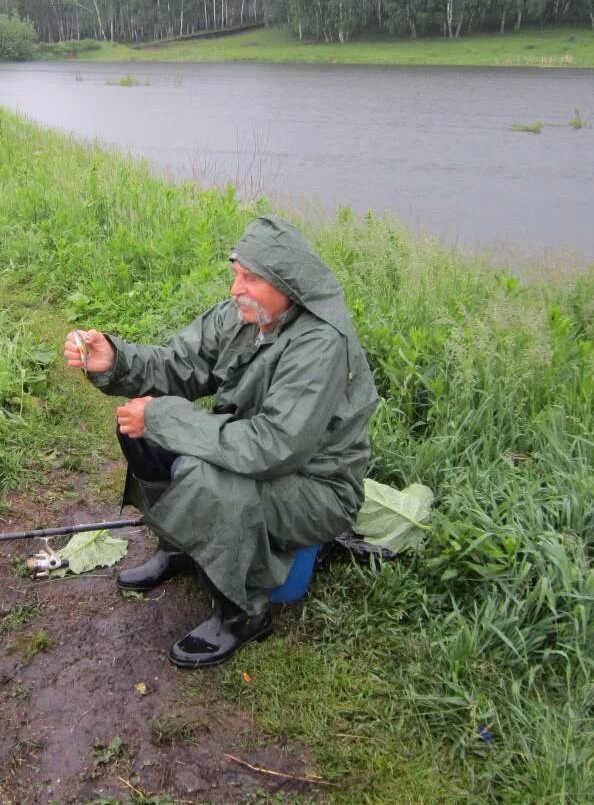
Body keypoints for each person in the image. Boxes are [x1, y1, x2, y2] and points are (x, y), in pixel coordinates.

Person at [64, 215, 379, 668]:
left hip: (317, 488)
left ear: (287, 285)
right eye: (236, 275)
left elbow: (272, 447)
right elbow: (177, 364)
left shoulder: (321, 345)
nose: (236, 289)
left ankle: (242, 614)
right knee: (140, 430)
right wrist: (115, 359)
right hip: (252, 451)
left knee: (195, 465)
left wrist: (167, 418)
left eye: (250, 278)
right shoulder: (245, 317)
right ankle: (178, 544)